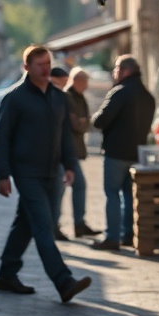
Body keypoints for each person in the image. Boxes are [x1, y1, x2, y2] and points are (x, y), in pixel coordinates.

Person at [0, 45, 91, 303]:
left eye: (48, 63)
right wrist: (2, 174)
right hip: (26, 173)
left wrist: (69, 165)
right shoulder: (14, 98)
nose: (46, 68)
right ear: (26, 67)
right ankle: (63, 281)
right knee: (44, 226)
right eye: (40, 64)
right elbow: (1, 138)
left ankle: (6, 274)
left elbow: (65, 136)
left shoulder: (58, 97)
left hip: (52, 172)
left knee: (25, 223)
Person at [91, 55, 155, 251]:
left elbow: (99, 121)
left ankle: (112, 237)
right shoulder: (147, 96)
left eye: (117, 69)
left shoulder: (119, 92)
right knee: (129, 195)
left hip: (116, 153)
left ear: (126, 71)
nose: (114, 72)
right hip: (137, 153)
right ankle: (128, 234)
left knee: (112, 194)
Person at [66, 67, 100, 237]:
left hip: (76, 149)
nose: (86, 86)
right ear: (76, 81)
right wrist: (82, 122)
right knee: (76, 186)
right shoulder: (68, 97)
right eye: (84, 82)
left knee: (76, 186)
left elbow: (87, 123)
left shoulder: (80, 98)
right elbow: (77, 125)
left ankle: (79, 224)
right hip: (69, 150)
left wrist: (83, 122)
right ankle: (76, 224)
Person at [48, 65, 71, 240]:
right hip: (49, 158)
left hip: (58, 157)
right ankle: (50, 227)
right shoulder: (51, 97)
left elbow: (66, 133)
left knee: (57, 193)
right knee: (54, 195)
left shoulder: (61, 98)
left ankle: (52, 226)